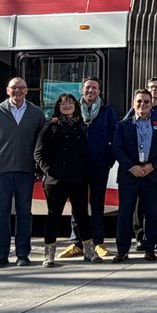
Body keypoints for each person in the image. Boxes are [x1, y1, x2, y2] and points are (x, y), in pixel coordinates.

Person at [0, 77, 46, 269]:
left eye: (22, 88)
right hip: (1, 172)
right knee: (1, 214)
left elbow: (41, 144)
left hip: (26, 171)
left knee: (25, 213)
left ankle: (23, 254)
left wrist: (40, 169)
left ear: (27, 91)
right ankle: (0, 255)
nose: (18, 91)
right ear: (7, 90)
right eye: (14, 88)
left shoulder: (35, 113)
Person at [34, 93, 100, 266]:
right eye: (62, 103)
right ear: (58, 106)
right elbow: (38, 153)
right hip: (56, 181)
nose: (67, 105)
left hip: (78, 179)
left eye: (70, 102)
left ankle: (88, 250)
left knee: (82, 215)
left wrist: (87, 171)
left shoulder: (82, 127)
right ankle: (49, 254)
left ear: (75, 106)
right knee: (53, 216)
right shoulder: (50, 126)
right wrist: (50, 171)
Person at [59, 77, 118, 261]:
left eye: (94, 88)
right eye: (87, 88)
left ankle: (98, 242)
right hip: (77, 166)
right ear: (82, 90)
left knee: (98, 204)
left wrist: (109, 160)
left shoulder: (108, 111)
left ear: (99, 91)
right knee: (78, 206)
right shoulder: (73, 110)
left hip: (100, 165)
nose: (90, 91)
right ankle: (76, 243)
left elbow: (115, 136)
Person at [112, 89, 157, 263]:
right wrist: (131, 167)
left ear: (151, 103)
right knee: (125, 214)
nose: (142, 105)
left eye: (146, 101)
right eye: (139, 101)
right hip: (130, 176)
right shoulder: (123, 125)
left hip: (151, 175)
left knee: (151, 213)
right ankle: (122, 250)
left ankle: (149, 248)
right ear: (133, 104)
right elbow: (117, 148)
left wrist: (154, 166)